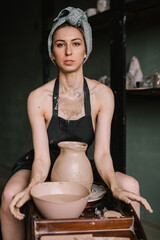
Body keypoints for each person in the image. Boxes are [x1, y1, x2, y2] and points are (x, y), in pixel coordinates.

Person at [1, 6, 153, 240]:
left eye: (76, 43)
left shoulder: (102, 95)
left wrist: (115, 186)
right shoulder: (38, 98)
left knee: (130, 186)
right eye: (60, 44)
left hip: (78, 166)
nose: (68, 51)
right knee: (11, 194)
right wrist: (32, 187)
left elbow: (102, 154)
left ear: (85, 51)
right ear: (52, 52)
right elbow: (42, 158)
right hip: (42, 164)